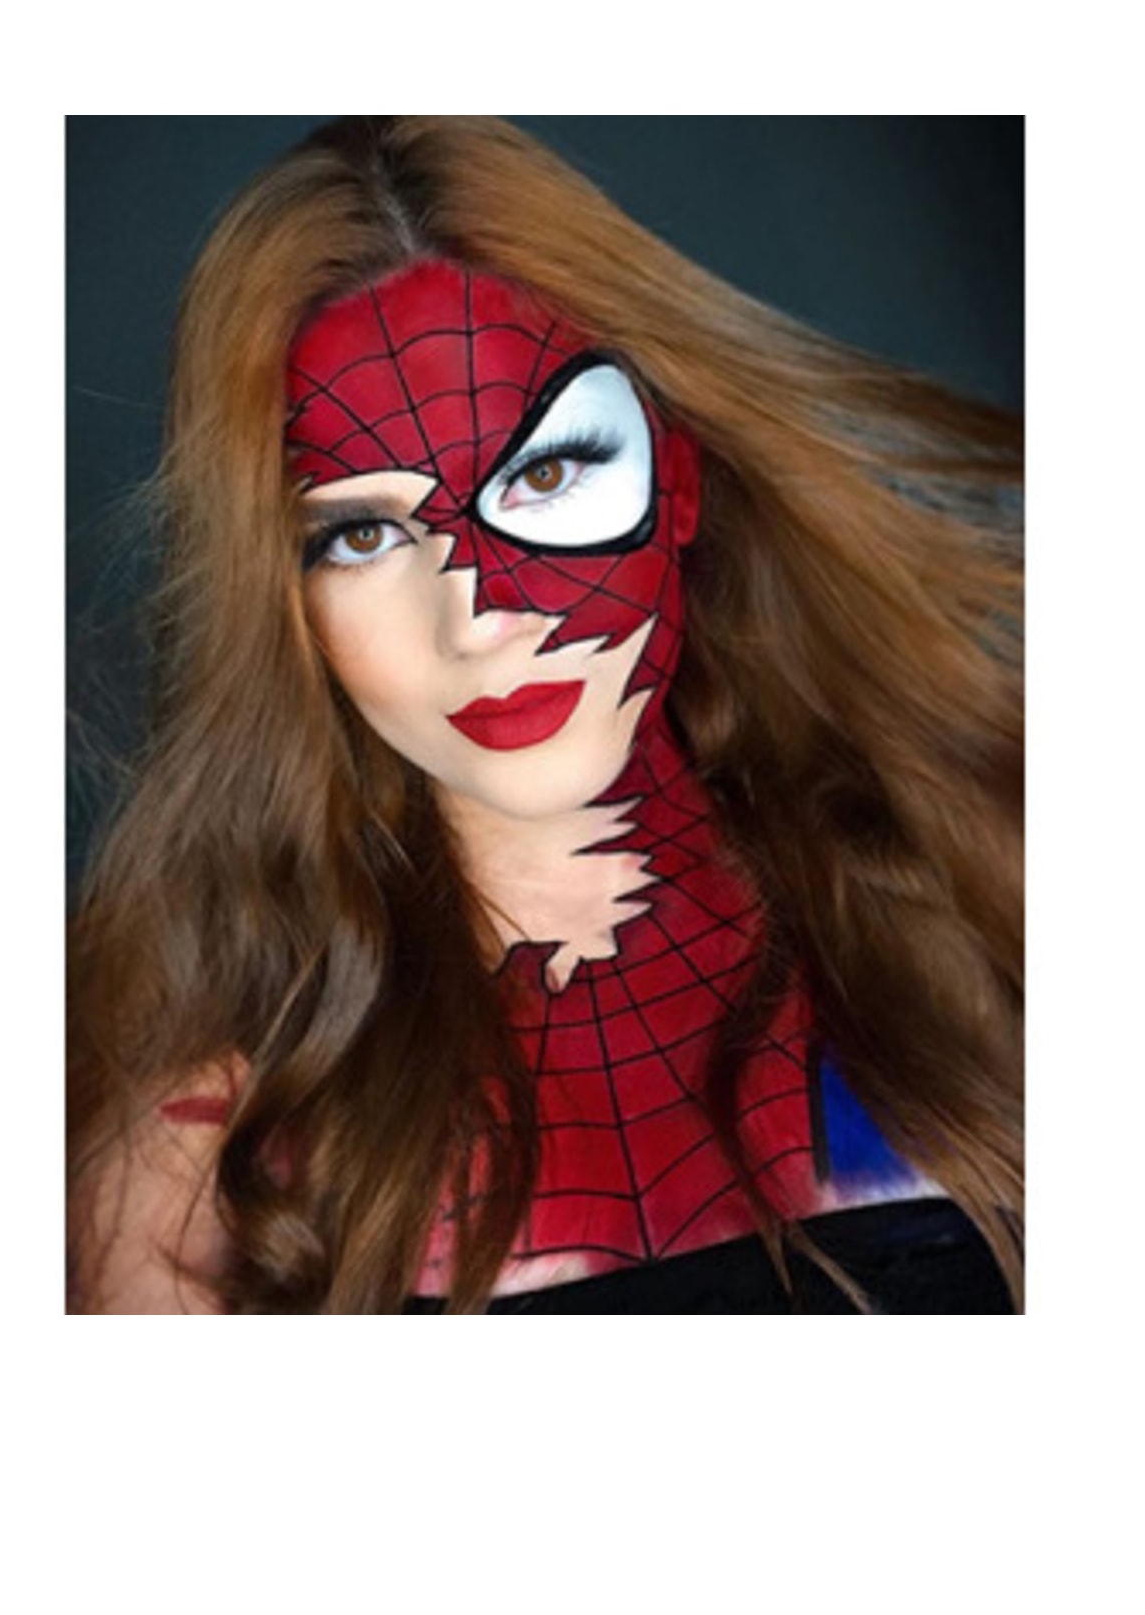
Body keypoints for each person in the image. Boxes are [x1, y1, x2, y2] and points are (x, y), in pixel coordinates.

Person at [67, 116, 1023, 1315]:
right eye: (362, 535)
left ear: (677, 482)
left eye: (547, 474)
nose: (475, 619)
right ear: (283, 601)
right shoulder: (206, 1157)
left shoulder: (992, 917)